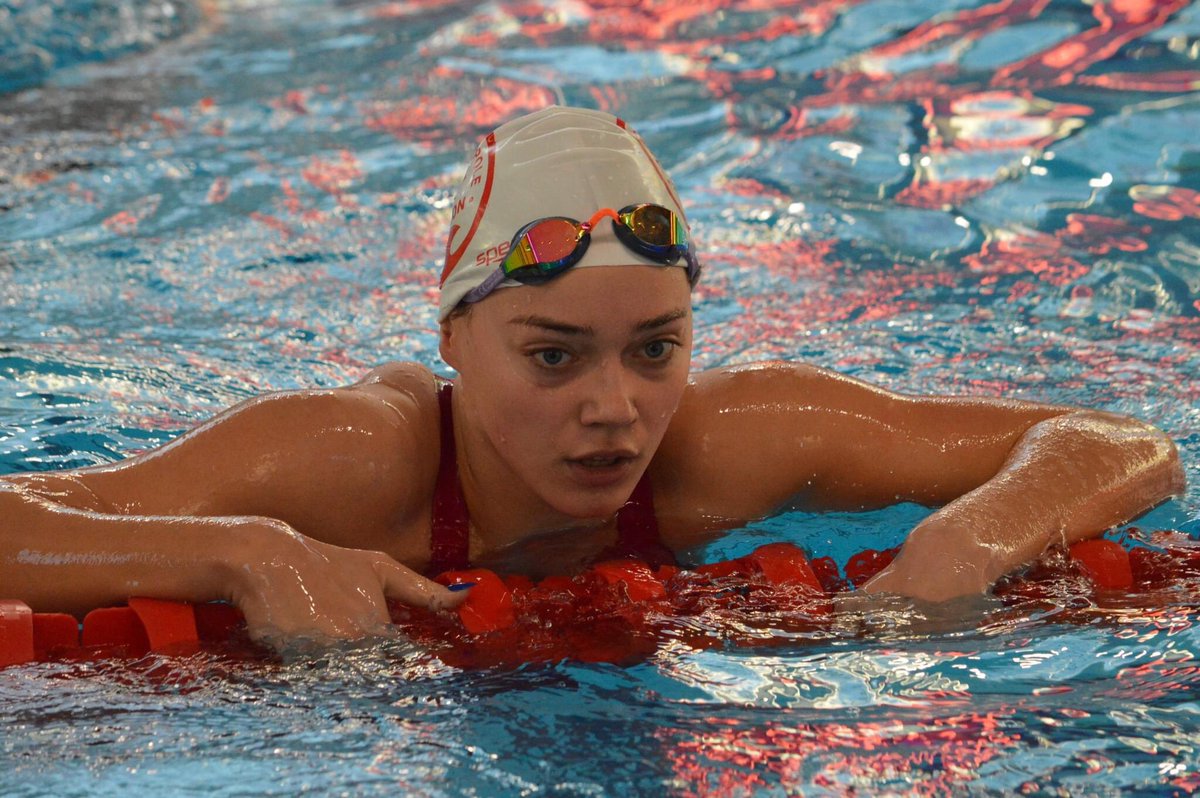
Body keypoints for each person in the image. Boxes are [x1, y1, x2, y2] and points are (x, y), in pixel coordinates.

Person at [0, 106, 1185, 645]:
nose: (616, 407)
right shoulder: (355, 459)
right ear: (454, 342)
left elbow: (1116, 438)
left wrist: (974, 539)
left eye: (655, 348)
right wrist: (244, 551)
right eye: (554, 356)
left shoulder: (742, 438)